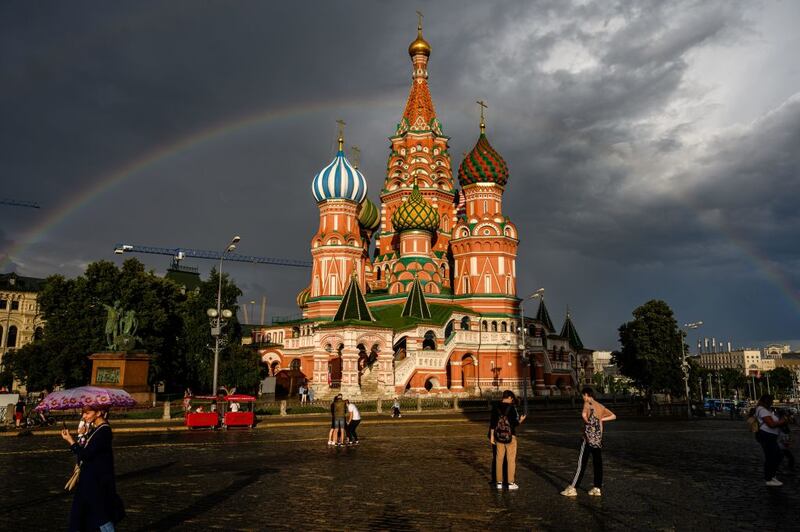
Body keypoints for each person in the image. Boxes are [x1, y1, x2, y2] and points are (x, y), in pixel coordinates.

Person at [60, 407, 124, 531]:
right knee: (80, 517)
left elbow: (86, 454)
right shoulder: (96, 429)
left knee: (100, 517)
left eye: (87, 413)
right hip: (88, 479)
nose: (84, 416)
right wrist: (82, 435)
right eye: (83, 412)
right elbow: (85, 451)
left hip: (95, 482)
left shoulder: (104, 431)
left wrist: (71, 441)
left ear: (99, 413)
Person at [561, 387, 616, 497]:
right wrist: (600, 419)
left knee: (581, 464)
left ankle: (573, 488)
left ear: (586, 395)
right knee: (598, 464)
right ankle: (597, 488)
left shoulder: (587, 403)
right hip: (598, 439)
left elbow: (583, 415)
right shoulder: (600, 406)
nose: (583, 398)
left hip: (587, 438)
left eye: (583, 396)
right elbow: (613, 416)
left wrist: (588, 423)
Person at [489, 390, 526, 490]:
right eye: (512, 399)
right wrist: (521, 421)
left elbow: (492, 423)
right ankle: (510, 483)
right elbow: (514, 423)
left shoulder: (496, 406)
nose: (512, 400)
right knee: (511, 460)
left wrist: (492, 436)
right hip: (510, 436)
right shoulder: (512, 408)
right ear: (509, 397)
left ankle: (499, 483)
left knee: (498, 459)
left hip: (498, 436)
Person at [754, 394, 789, 486]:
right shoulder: (762, 410)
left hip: (769, 436)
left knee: (776, 455)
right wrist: (783, 421)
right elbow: (771, 424)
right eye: (771, 401)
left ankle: (771, 476)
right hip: (767, 436)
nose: (772, 403)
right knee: (773, 456)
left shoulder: (764, 410)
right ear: (767, 401)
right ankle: (769, 478)